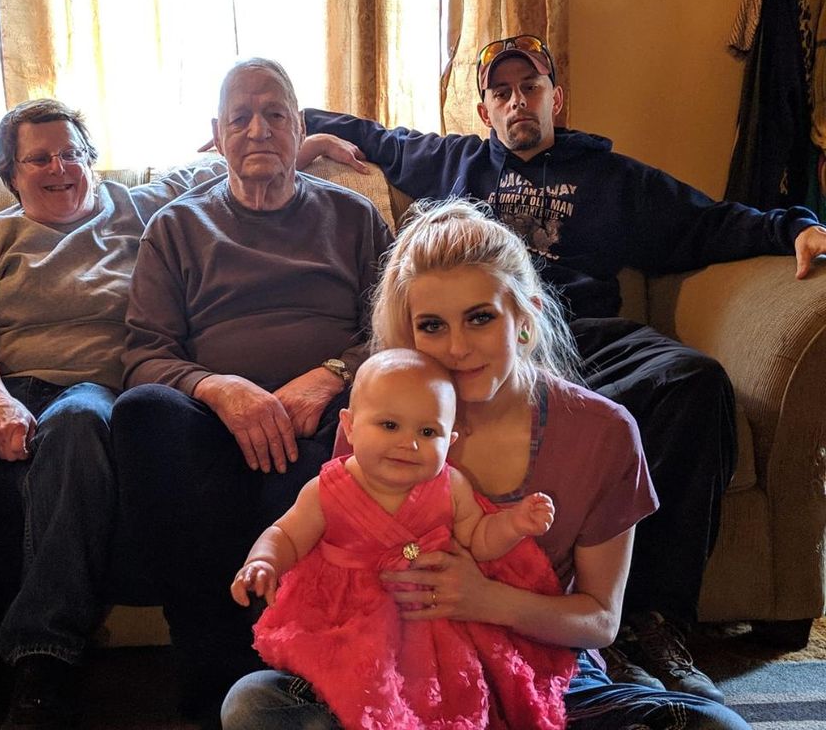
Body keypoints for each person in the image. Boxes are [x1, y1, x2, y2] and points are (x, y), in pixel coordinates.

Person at [298, 33, 826, 701]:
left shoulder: (609, 175)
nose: (517, 100)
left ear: (557, 98)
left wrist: (794, 227)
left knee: (694, 383)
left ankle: (652, 622)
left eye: (531, 87)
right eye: (501, 92)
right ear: (485, 111)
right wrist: (298, 130)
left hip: (587, 336)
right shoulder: (455, 161)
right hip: (480, 346)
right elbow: (375, 136)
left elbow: (705, 221)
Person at [222, 199, 752, 730]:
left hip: (542, 670)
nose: (457, 348)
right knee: (254, 704)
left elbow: (599, 620)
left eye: (480, 318)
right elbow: (328, 545)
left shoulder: (603, 432)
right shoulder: (381, 425)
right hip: (392, 666)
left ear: (525, 317)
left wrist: (484, 599)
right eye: (432, 325)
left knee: (715, 726)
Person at [0, 98, 229, 730]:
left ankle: (45, 655)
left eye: (71, 153)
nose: (59, 168)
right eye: (38, 158)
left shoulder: (139, 208)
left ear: (92, 161)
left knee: (79, 423)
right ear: (10, 175)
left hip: (92, 390)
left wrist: (314, 143)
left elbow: (226, 163)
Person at [111, 58, 394, 722]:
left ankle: (304, 674)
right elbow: (144, 355)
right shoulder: (176, 227)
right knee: (142, 412)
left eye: (274, 114)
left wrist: (331, 374)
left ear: (299, 126)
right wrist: (218, 387)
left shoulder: (354, 218)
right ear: (218, 134)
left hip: (325, 414)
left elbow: (398, 329)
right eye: (241, 117)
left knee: (363, 426)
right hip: (210, 423)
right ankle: (208, 663)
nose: (259, 130)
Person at [230, 347, 576, 729]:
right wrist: (263, 561)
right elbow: (285, 535)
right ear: (350, 426)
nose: (408, 443)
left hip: (431, 629)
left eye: (427, 432)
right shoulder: (327, 490)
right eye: (390, 425)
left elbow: (479, 540)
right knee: (295, 699)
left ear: (451, 440)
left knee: (447, 701)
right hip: (347, 627)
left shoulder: (450, 486)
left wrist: (513, 525)